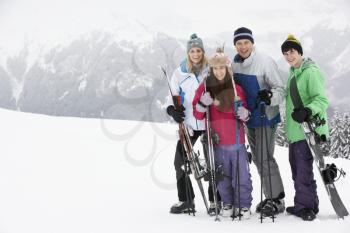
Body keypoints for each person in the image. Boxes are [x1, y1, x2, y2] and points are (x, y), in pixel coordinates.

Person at [231, 27, 286, 217]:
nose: (243, 46)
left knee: (265, 158)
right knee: (257, 158)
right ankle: (271, 196)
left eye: (246, 42)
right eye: (239, 43)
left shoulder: (265, 62)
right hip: (248, 118)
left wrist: (269, 96)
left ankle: (277, 199)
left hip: (265, 116)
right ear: (235, 45)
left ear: (252, 43)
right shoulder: (235, 64)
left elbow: (281, 89)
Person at [193, 48, 253, 218]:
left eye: (222, 68)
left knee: (241, 176)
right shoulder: (205, 88)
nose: (219, 71)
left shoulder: (237, 89)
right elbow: (197, 114)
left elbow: (246, 114)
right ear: (211, 70)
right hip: (217, 141)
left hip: (236, 140)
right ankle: (227, 202)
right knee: (222, 176)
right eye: (215, 68)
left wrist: (244, 114)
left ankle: (243, 204)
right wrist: (202, 104)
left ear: (228, 69)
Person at [166, 34, 221, 214]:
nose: (195, 54)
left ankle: (215, 201)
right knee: (180, 162)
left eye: (198, 50)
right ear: (188, 53)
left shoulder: (210, 70)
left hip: (208, 123)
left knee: (213, 163)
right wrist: (172, 110)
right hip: (189, 125)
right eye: (192, 51)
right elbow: (172, 96)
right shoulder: (179, 73)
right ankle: (186, 200)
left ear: (203, 52)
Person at [281, 34, 329, 221]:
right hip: (296, 132)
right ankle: (308, 203)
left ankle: (306, 207)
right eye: (285, 53)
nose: (289, 56)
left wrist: (308, 110)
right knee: (297, 169)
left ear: (300, 52)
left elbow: (322, 100)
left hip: (308, 130)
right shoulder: (293, 73)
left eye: (292, 52)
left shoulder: (310, 72)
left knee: (302, 171)